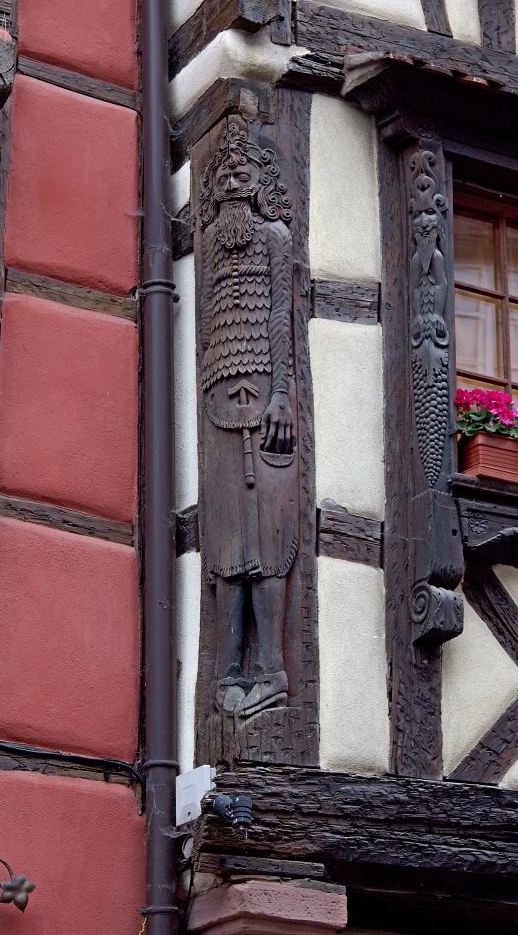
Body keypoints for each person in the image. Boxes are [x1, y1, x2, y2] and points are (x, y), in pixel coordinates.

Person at [198, 118, 297, 719]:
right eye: (227, 174)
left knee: (270, 534)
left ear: (260, 182)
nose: (236, 180)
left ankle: (273, 671)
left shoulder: (276, 239)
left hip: (267, 393)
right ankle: (228, 667)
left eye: (246, 172)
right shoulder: (209, 244)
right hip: (218, 396)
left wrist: (283, 394)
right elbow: (208, 323)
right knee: (228, 539)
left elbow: (283, 320)